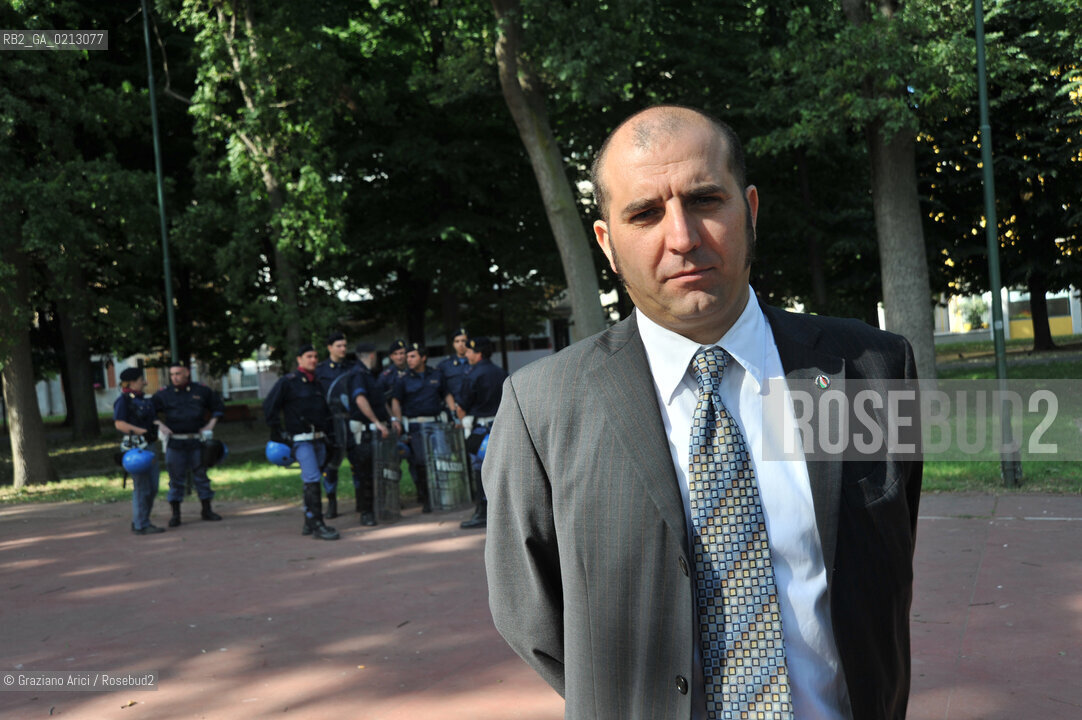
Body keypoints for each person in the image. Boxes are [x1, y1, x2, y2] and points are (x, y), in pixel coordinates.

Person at [483, 105, 922, 720]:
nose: (683, 237)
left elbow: (884, 558)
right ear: (608, 243)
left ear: (750, 210)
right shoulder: (542, 408)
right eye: (644, 213)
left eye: (705, 200)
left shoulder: (869, 369)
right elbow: (531, 616)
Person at [263, 345, 340, 541]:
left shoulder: (318, 383)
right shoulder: (288, 382)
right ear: (299, 359)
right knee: (312, 480)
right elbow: (269, 407)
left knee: (314, 479)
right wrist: (279, 433)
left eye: (315, 356)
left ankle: (309, 520)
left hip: (320, 439)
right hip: (301, 440)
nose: (313, 360)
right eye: (309, 356)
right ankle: (318, 525)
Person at [153, 363, 225, 527]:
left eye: (178, 373)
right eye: (172, 374)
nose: (175, 377)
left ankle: (207, 510)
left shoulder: (201, 390)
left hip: (196, 441)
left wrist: (210, 425)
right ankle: (175, 515)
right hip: (175, 442)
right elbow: (150, 412)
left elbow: (218, 407)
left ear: (187, 373)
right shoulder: (165, 394)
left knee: (201, 476)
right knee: (176, 479)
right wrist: (160, 425)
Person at [389, 343, 455, 513]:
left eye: (412, 356)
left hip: (436, 424)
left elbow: (446, 395)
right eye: (407, 356)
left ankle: (444, 496)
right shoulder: (403, 379)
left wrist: (454, 414)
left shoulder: (437, 375)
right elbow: (396, 400)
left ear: (423, 358)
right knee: (421, 462)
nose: (408, 359)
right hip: (416, 425)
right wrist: (396, 420)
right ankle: (426, 499)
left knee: (442, 460)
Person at [455, 337, 506, 529]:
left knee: (480, 471)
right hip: (500, 428)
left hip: (478, 431)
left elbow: (462, 406)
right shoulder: (501, 373)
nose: (466, 354)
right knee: (501, 471)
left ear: (479, 354)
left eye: (469, 351)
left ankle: (482, 513)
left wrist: (463, 422)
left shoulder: (472, 375)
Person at [113, 367, 165, 535]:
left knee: (153, 486)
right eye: (141, 379)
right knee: (142, 487)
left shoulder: (144, 400)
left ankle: (143, 520)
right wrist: (142, 431)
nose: (145, 382)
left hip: (149, 446)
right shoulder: (124, 401)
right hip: (137, 449)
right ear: (132, 382)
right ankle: (140, 524)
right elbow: (119, 424)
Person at [346, 341, 393, 526]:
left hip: (373, 431)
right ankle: (366, 512)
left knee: (376, 472)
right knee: (365, 473)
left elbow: (381, 402)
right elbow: (360, 399)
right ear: (372, 355)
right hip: (365, 432)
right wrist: (376, 422)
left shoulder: (368, 374)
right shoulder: (358, 374)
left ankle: (376, 508)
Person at [315, 331, 357, 519]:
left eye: (345, 345)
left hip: (352, 420)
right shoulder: (320, 370)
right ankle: (331, 502)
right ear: (330, 348)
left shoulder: (353, 367)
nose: (343, 349)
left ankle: (361, 500)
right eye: (339, 346)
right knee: (331, 465)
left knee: (358, 461)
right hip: (331, 423)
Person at [437, 327, 471, 416]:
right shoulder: (444, 365)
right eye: (457, 341)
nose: (461, 344)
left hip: (474, 409)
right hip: (452, 410)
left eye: (464, 341)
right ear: (453, 344)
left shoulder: (476, 363)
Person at [378, 339, 409, 403]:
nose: (399, 357)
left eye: (402, 353)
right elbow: (380, 399)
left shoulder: (413, 370)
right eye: (395, 354)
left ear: (406, 354)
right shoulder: (385, 376)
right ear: (391, 357)